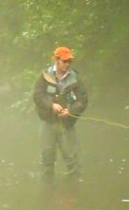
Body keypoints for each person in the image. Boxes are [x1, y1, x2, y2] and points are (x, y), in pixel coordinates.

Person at [33, 45, 88, 177]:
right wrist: (51, 105)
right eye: (64, 61)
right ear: (56, 60)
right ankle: (47, 194)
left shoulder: (75, 78)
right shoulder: (44, 76)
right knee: (47, 161)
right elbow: (37, 96)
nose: (67, 64)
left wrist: (70, 110)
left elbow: (83, 100)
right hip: (48, 123)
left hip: (67, 124)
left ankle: (74, 193)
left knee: (72, 162)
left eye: (69, 61)